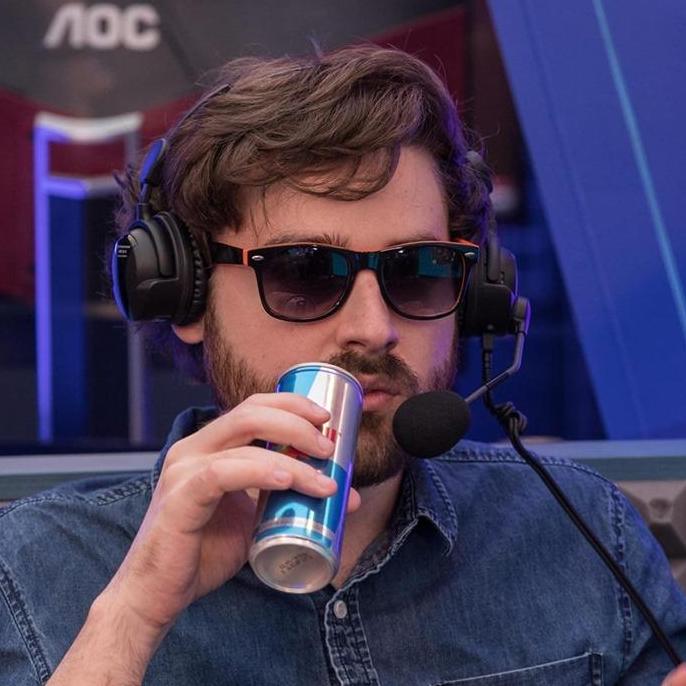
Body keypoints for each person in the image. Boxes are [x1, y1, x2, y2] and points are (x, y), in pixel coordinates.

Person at [1, 44, 685, 686]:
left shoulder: (584, 534)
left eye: (419, 271)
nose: (373, 328)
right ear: (185, 292)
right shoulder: (34, 566)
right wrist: (134, 612)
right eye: (305, 273)